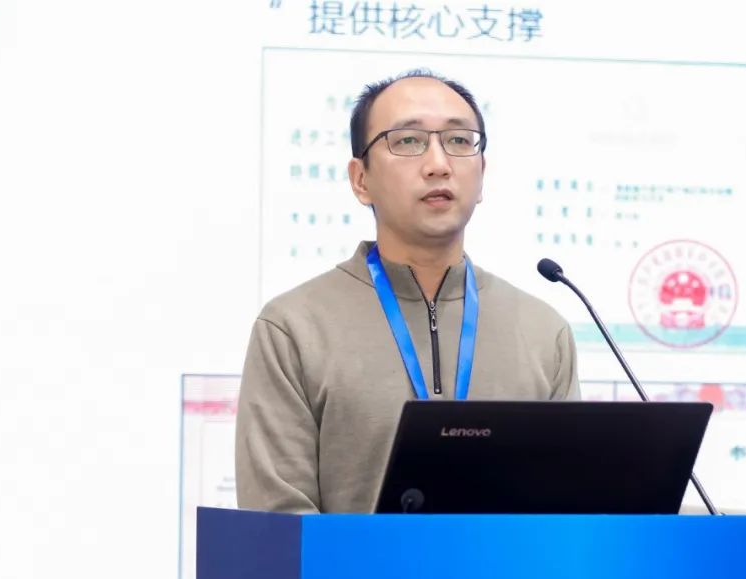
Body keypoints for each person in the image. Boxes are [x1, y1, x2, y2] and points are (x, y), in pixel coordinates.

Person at [235, 70, 581, 513]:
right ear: (360, 179)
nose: (438, 163)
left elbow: (565, 512)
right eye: (408, 141)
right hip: (348, 565)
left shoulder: (542, 332)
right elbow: (278, 521)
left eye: (459, 140)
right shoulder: (294, 327)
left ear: (482, 173)